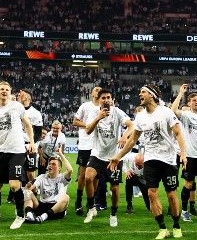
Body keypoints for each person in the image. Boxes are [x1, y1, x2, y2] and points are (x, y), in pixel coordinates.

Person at [109, 84, 187, 239]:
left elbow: (178, 132)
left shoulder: (165, 112)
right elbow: (132, 141)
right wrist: (118, 156)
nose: (140, 94)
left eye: (143, 92)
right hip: (151, 159)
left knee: (171, 194)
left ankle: (176, 225)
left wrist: (183, 154)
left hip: (168, 158)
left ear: (152, 95)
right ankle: (162, 227)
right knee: (151, 193)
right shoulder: (140, 116)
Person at [0, 81, 36, 230]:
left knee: (14, 185)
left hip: (17, 151)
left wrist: (31, 141)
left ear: (10, 92)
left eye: (7, 89)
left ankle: (20, 215)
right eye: (1, 89)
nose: (4, 91)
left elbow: (28, 124)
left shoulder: (17, 106)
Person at [83, 88, 135, 227]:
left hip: (114, 156)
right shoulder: (94, 112)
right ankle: (91, 208)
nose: (106, 100)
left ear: (112, 99)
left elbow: (131, 125)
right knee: (88, 177)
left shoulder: (117, 112)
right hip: (98, 154)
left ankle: (113, 214)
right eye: (104, 98)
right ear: (99, 100)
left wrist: (124, 136)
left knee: (114, 188)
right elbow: (87, 130)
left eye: (109, 97)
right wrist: (98, 117)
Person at [171, 84, 197, 222]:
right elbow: (173, 110)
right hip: (190, 156)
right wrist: (181, 93)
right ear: (189, 103)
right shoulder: (186, 115)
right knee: (189, 184)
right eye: (194, 100)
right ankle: (184, 211)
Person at [72, 86, 102, 216]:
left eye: (100, 90)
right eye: (96, 89)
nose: (98, 91)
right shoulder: (85, 106)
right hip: (85, 145)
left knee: (95, 177)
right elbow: (75, 121)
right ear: (91, 93)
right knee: (83, 175)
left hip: (99, 146)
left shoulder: (105, 108)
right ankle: (78, 202)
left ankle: (91, 203)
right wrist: (87, 125)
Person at [23, 147, 72, 224]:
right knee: (27, 192)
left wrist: (61, 154)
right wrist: (29, 187)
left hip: (56, 209)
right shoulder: (42, 177)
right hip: (42, 206)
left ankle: (44, 217)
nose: (50, 166)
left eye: (53, 164)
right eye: (49, 164)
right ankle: (29, 215)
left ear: (59, 168)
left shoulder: (62, 178)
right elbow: (31, 187)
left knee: (66, 197)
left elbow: (70, 170)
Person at [12, 88, 44, 202]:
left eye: (22, 94)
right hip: (16, 145)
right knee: (17, 171)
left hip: (29, 145)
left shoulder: (35, 113)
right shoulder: (14, 109)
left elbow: (38, 132)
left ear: (28, 98)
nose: (19, 95)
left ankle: (34, 192)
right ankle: (17, 196)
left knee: (30, 173)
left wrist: (32, 144)